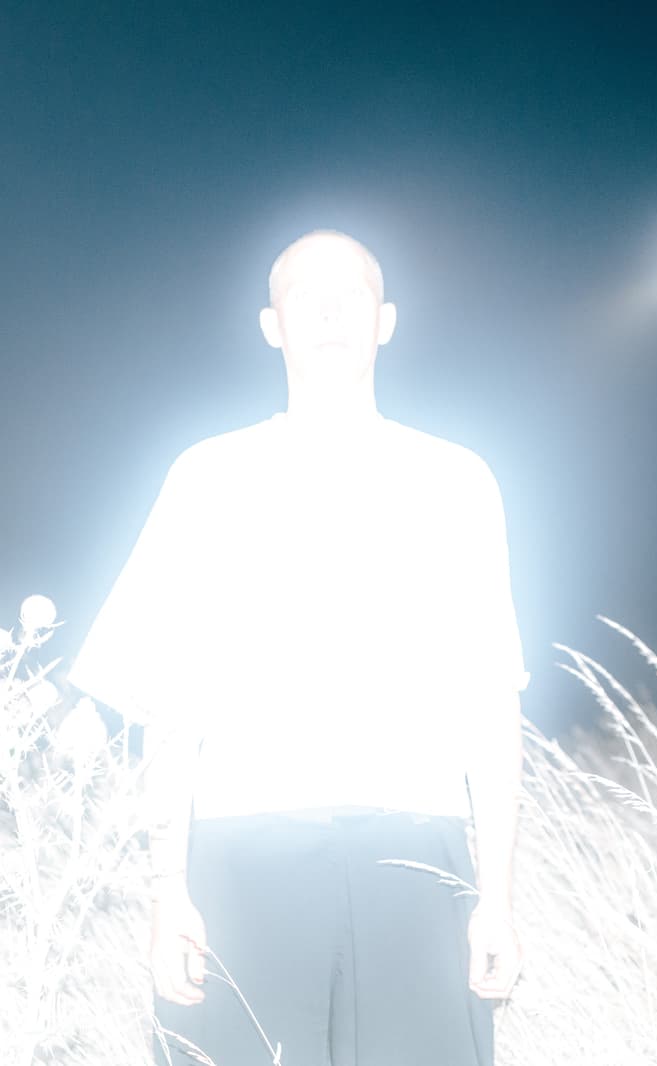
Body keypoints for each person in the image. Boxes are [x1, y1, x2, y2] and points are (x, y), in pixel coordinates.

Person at [68, 229, 530, 1066]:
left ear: (386, 321)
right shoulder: (207, 475)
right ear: (271, 325)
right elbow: (170, 704)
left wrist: (495, 897)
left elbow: (490, 700)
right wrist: (168, 890)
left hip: (418, 861)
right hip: (243, 859)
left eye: (351, 293)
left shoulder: (458, 480)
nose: (328, 311)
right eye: (304, 296)